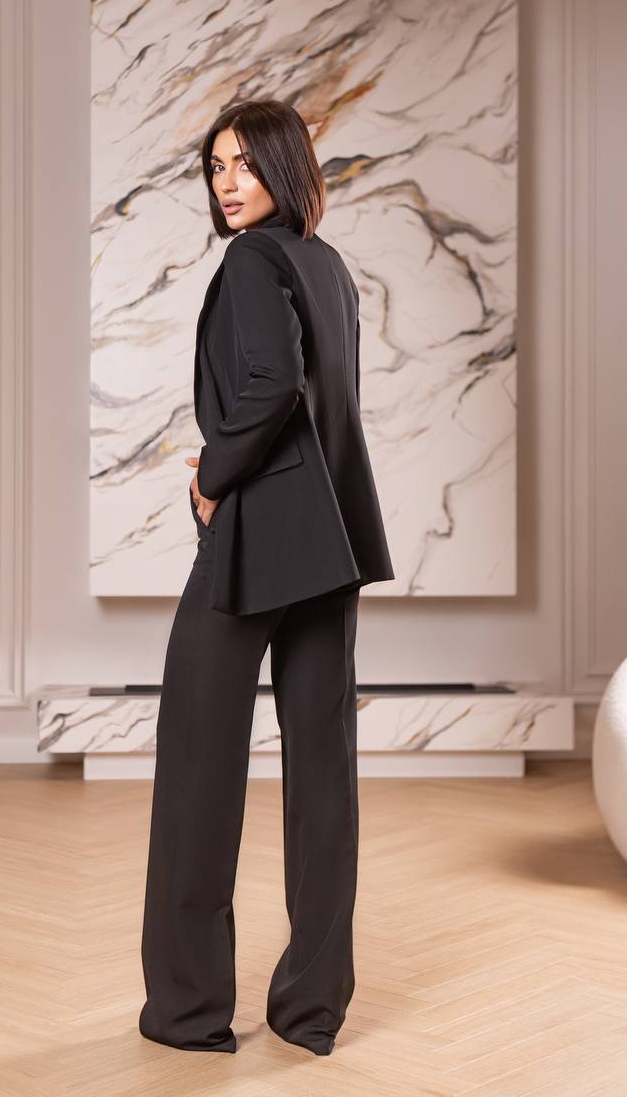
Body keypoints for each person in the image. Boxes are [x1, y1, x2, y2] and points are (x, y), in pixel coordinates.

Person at [138, 98, 395, 1056]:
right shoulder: (328, 267)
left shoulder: (252, 261)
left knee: (198, 765)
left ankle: (189, 1012)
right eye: (215, 167)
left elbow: (272, 387)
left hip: (256, 535)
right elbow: (324, 403)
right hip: (328, 542)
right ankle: (311, 1009)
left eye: (245, 163)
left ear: (285, 167)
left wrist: (209, 480)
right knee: (322, 774)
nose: (228, 182)